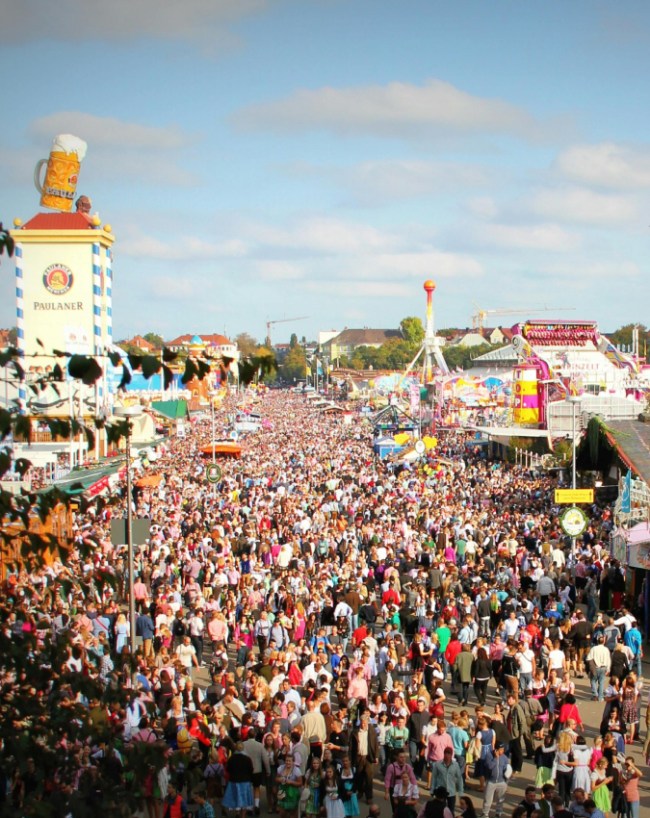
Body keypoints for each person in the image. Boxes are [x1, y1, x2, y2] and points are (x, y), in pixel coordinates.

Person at [430, 747, 464, 814]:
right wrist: (432, 790)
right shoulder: (437, 764)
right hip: (440, 792)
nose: (447, 755)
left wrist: (461, 792)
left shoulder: (455, 765)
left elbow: (459, 779)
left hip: (451, 792)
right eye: (445, 753)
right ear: (443, 754)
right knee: (440, 811)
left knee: (451, 812)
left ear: (451, 755)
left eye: (449, 754)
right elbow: (434, 778)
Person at [480, 743, 510, 818]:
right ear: (496, 750)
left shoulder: (505, 758)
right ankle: (485, 813)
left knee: (500, 799)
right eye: (501, 750)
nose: (502, 751)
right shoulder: (489, 756)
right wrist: (495, 758)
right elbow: (490, 766)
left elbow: (507, 770)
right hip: (491, 781)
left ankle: (498, 813)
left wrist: (506, 782)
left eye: (503, 749)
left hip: (501, 782)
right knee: (488, 799)